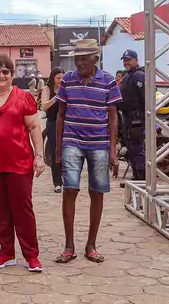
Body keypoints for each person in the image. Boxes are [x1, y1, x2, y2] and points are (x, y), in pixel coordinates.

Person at [0, 54, 46, 272]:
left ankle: (31, 255)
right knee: (1, 211)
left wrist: (39, 156)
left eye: (5, 71)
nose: (1, 75)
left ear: (12, 75)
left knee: (23, 210)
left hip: (20, 163)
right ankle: (6, 253)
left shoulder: (23, 97)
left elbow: (34, 127)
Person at [55, 39, 121, 264]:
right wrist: (57, 150)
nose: (80, 62)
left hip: (100, 144)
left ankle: (91, 245)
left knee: (97, 192)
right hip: (72, 141)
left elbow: (113, 117)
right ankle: (69, 246)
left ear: (95, 58)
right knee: (70, 190)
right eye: (77, 58)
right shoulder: (67, 80)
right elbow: (61, 115)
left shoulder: (109, 81)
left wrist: (113, 151)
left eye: (84, 57)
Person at [119, 50, 146, 181]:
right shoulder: (127, 76)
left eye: (128, 60)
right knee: (130, 148)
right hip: (127, 117)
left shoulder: (139, 75)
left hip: (137, 118)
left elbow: (145, 98)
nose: (126, 62)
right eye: (124, 60)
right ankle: (136, 175)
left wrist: (143, 117)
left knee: (137, 148)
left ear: (136, 60)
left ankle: (141, 177)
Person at [41, 67, 65, 193]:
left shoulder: (67, 88)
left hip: (66, 124)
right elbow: (43, 106)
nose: (60, 80)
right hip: (52, 123)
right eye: (57, 78)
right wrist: (56, 97)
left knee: (67, 151)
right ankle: (57, 182)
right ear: (52, 78)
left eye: (62, 78)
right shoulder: (47, 89)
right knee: (55, 151)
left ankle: (66, 177)